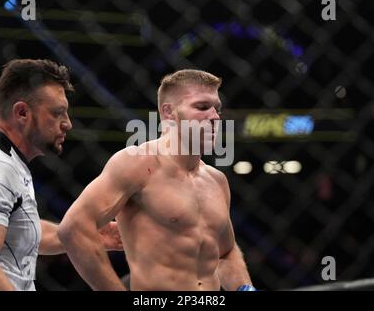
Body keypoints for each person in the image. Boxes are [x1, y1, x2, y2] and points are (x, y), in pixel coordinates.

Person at [57, 69, 255, 291]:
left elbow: (225, 252)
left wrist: (245, 289)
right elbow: (73, 229)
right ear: (169, 113)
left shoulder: (216, 180)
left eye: (217, 108)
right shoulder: (137, 164)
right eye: (202, 107)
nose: (215, 117)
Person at [0, 59, 122, 291]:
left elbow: (11, 229)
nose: (68, 124)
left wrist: (78, 235)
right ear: (22, 112)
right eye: (58, 113)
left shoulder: (6, 162)